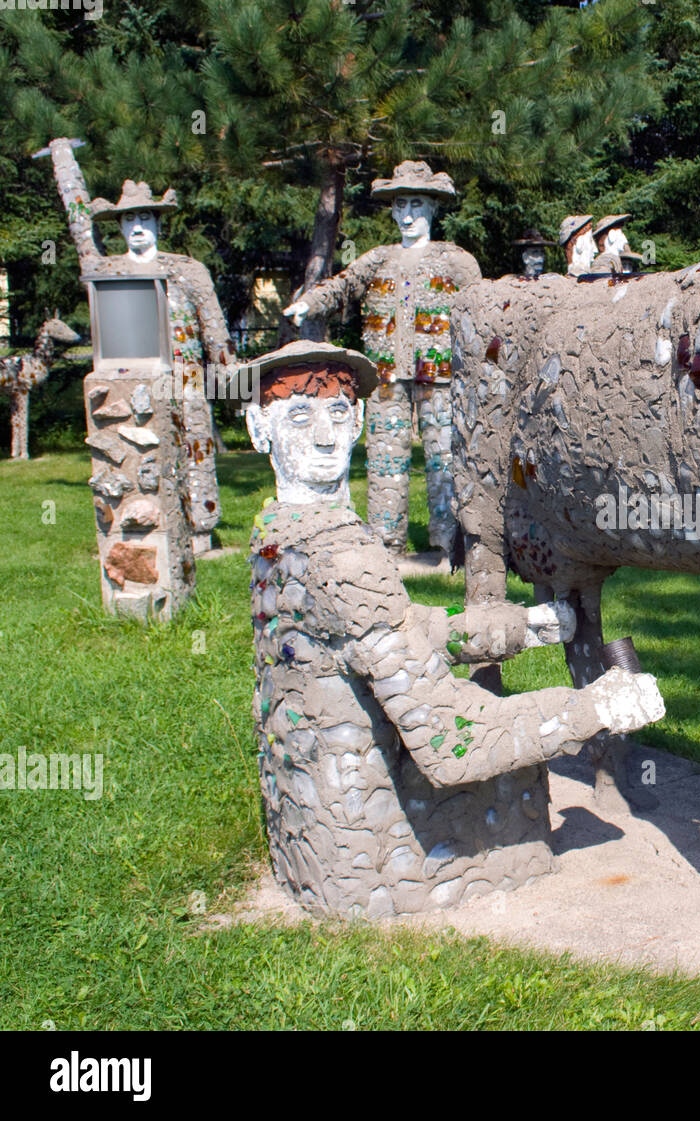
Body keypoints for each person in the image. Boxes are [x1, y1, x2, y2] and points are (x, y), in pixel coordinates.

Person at [242, 339, 665, 917]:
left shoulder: (276, 531)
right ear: (257, 428)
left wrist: (523, 627)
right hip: (368, 848)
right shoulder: (342, 558)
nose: (323, 436)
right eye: (299, 414)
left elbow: (388, 634)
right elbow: (451, 741)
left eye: (337, 413)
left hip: (308, 825)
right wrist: (596, 709)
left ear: (360, 421)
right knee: (517, 768)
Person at [283, 161, 481, 562]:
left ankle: (448, 543)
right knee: (386, 458)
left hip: (440, 375)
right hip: (386, 377)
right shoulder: (378, 259)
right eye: (400, 205)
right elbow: (343, 285)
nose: (407, 215)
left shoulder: (455, 260)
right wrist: (309, 303)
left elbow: (481, 308)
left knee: (444, 457)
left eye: (416, 205)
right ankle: (385, 542)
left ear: (432, 209)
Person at [44, 139, 235, 552]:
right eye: (129, 219)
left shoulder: (186, 269)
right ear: (120, 226)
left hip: (184, 378)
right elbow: (80, 228)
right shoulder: (109, 271)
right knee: (139, 454)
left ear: (158, 222)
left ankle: (201, 527)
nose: (138, 227)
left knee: (195, 449)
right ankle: (146, 527)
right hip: (132, 384)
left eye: (145, 217)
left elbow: (214, 327)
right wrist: (64, 159)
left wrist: (228, 375)